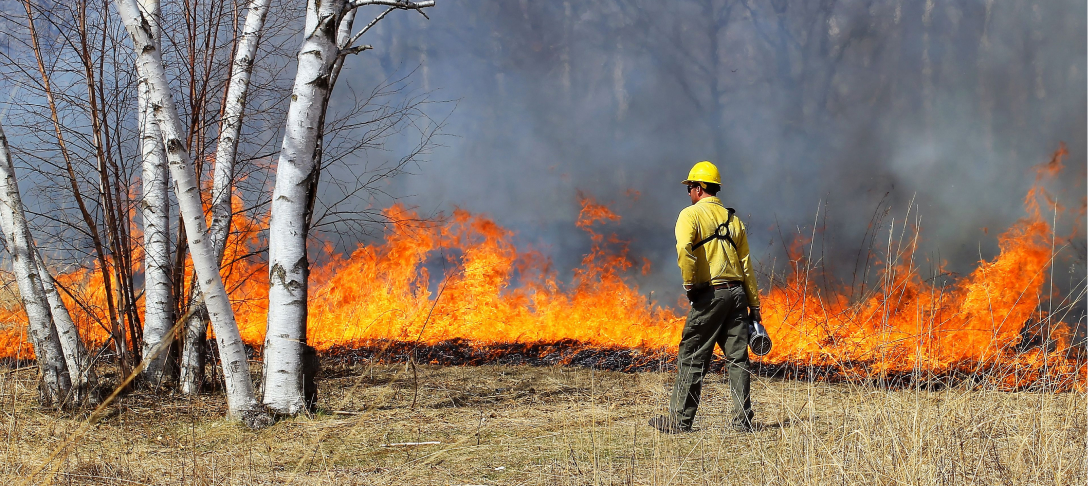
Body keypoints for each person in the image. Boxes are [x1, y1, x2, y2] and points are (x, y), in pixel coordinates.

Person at [649, 160, 761, 434]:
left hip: (711, 294)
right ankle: (742, 422)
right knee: (738, 358)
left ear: (699, 188)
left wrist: (691, 284)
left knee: (692, 355)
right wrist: (754, 305)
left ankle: (679, 422)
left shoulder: (691, 215)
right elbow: (746, 265)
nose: (688, 193)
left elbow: (684, 249)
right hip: (737, 295)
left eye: (689, 188)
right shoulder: (734, 220)